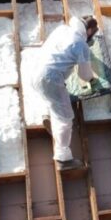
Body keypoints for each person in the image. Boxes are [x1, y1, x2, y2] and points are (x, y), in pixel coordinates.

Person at [33, 15, 98, 171]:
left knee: (51, 101)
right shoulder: (80, 44)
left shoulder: (62, 29)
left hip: (36, 73)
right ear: (89, 30)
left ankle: (47, 116)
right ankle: (63, 159)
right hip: (51, 79)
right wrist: (92, 79)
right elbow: (84, 75)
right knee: (66, 118)